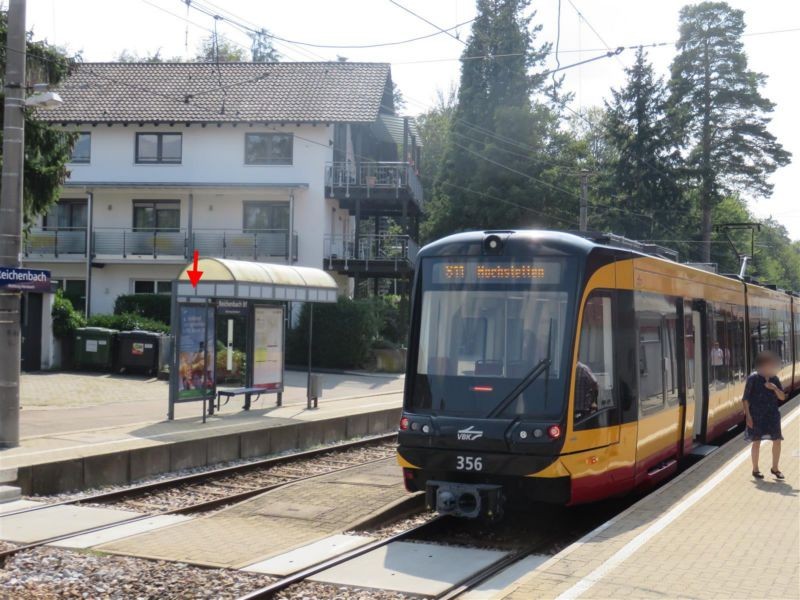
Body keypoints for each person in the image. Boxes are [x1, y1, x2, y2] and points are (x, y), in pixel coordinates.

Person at [743, 351, 786, 480]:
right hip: (756, 415)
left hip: (772, 415)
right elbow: (745, 399)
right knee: (756, 442)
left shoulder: (774, 379)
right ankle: (755, 470)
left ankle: (775, 468)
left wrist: (774, 388)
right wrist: (748, 417)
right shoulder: (753, 378)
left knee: (777, 441)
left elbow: (782, 397)